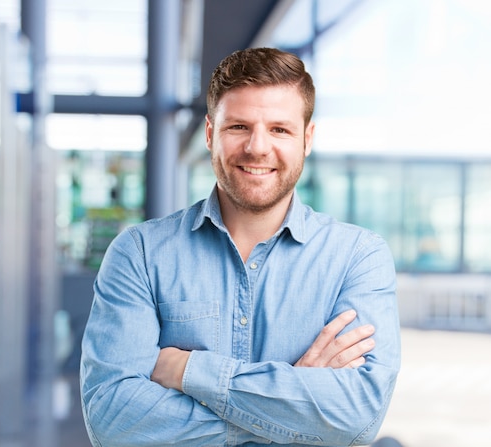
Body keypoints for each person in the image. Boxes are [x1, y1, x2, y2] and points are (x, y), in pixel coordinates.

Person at [80, 47, 400, 446]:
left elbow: (357, 417)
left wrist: (186, 370)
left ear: (308, 138)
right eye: (239, 127)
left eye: (280, 129)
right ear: (211, 133)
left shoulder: (358, 257)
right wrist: (293, 419)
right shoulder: (141, 254)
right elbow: (114, 420)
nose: (258, 147)